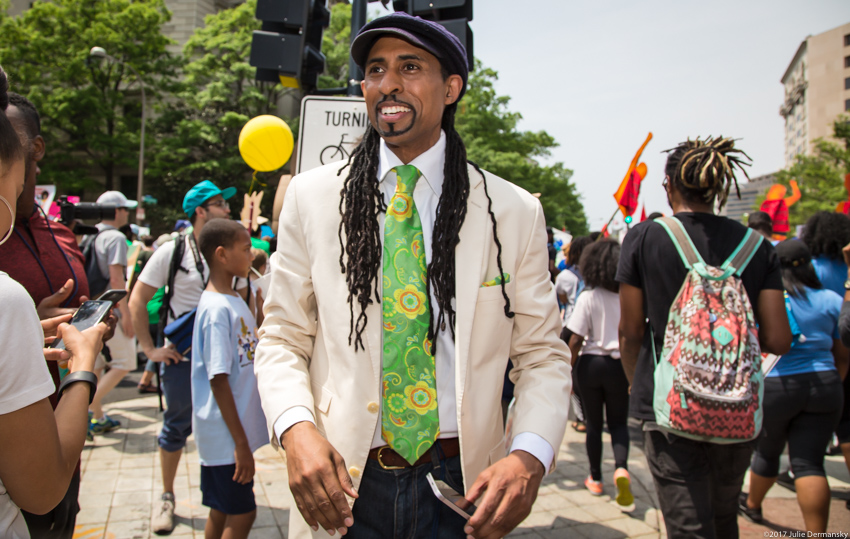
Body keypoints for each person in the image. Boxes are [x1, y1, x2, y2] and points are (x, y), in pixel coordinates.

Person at [254, 13, 571, 539]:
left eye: (410, 67)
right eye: (375, 70)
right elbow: (282, 336)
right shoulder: (312, 198)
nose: (388, 84)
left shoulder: (511, 210)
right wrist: (296, 429)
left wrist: (530, 454)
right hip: (345, 481)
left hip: (464, 484)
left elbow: (542, 353)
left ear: (451, 88)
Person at [617, 136, 791, 538]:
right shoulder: (758, 247)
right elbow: (780, 339)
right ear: (718, 188)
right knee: (724, 516)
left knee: (688, 526)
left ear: (668, 185)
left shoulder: (644, 237)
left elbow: (629, 331)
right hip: (738, 410)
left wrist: (636, 382)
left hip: (669, 411)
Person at [0, 63, 108, 539]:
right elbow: (40, 486)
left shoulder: (59, 232)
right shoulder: (6, 302)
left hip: (56, 431)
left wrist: (26, 328)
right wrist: (84, 368)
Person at [128, 179, 235, 535]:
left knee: (227, 426)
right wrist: (149, 350)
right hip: (182, 360)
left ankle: (224, 499)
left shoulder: (230, 247)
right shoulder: (172, 250)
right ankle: (167, 496)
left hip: (225, 359)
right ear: (201, 212)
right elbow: (137, 300)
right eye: (221, 203)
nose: (228, 209)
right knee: (176, 429)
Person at [738, 239, 847, 533]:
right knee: (810, 463)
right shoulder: (832, 300)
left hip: (776, 389)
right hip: (825, 385)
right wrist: (832, 382)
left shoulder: (766, 301)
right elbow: (843, 356)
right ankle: (818, 533)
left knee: (767, 454)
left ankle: (752, 506)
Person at [192, 220, 267, 539]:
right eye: (246, 249)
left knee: (221, 507)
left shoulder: (234, 299)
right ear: (222, 255)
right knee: (243, 513)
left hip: (230, 437)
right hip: (226, 440)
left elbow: (249, 348)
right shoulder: (215, 310)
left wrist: (262, 313)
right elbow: (218, 379)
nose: (252, 255)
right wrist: (240, 444)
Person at [566, 239, 633, 511]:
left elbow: (575, 339)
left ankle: (595, 477)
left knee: (594, 425)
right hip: (620, 366)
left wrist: (568, 371)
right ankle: (621, 469)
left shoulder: (588, 297)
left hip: (590, 365)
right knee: (618, 424)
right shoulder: (629, 298)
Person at [86, 190, 137, 436]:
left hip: (89, 309)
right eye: (125, 208)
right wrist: (126, 316)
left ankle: (97, 416)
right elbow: (117, 280)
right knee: (125, 361)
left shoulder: (90, 235)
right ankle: (84, 409)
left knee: (94, 365)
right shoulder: (115, 237)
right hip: (110, 310)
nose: (127, 212)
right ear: (116, 211)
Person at [555, 235, 592, 433]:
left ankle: (581, 416)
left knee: (572, 376)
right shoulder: (597, 278)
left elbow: (561, 298)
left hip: (572, 328)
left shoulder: (565, 277)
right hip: (586, 331)